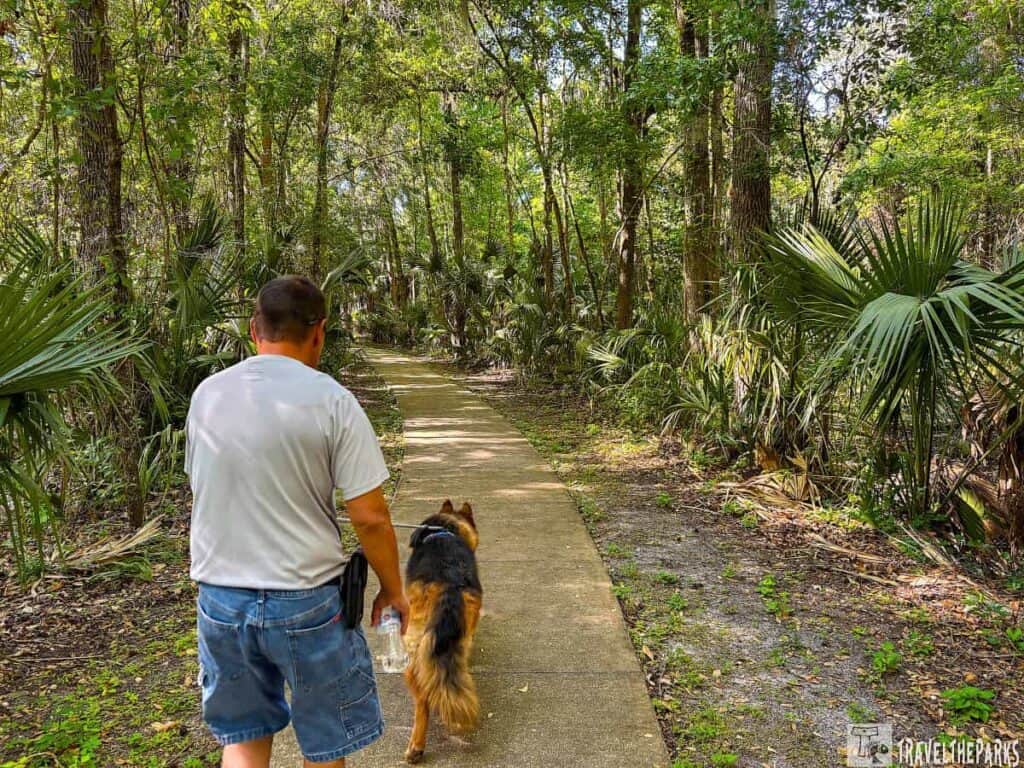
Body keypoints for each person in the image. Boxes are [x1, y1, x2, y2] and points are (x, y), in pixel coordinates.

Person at [185, 275, 409, 768]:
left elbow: (203, 486)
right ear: (319, 333)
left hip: (221, 599)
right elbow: (370, 517)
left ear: (254, 329)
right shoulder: (333, 401)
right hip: (307, 600)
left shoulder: (208, 396)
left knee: (243, 739)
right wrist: (394, 590)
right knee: (326, 741)